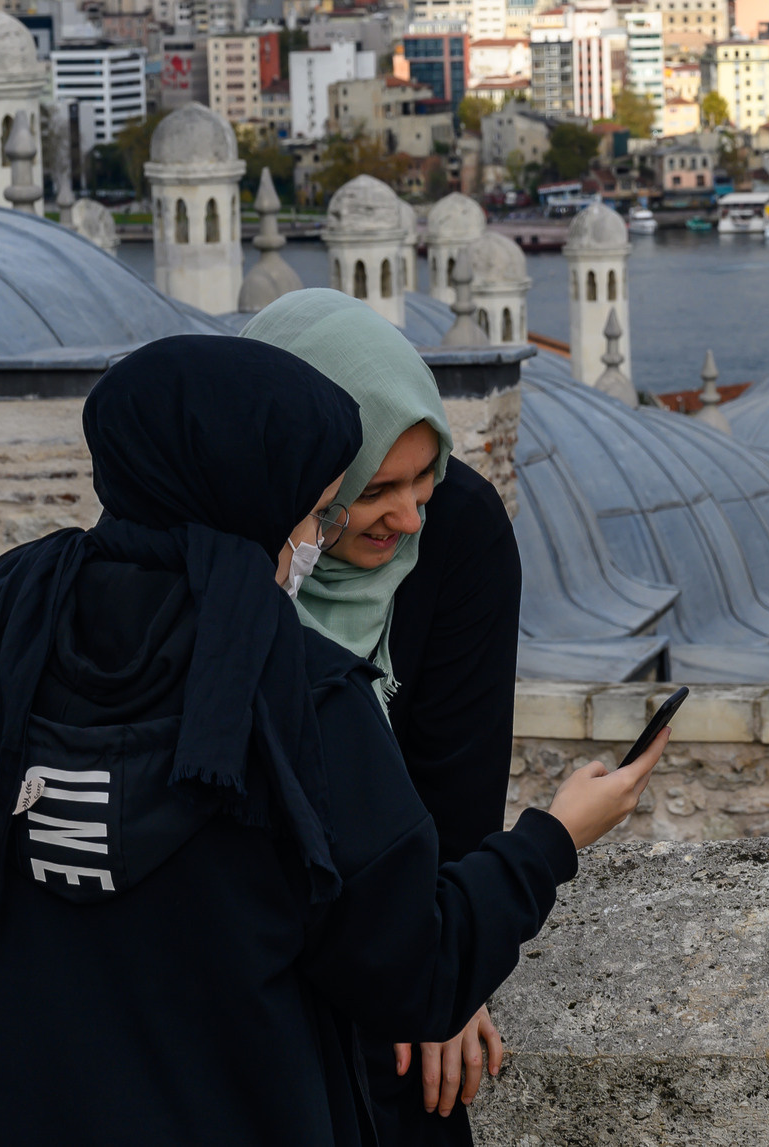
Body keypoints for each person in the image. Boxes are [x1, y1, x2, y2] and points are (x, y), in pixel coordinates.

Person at [0, 335, 666, 1147]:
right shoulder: (300, 697)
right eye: (309, 512)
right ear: (249, 503)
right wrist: (553, 839)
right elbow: (416, 968)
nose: (312, 540)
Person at [243, 288, 526, 1141]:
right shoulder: (231, 539)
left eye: (424, 477)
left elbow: (457, 783)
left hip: (388, 925)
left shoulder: (458, 530)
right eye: (375, 489)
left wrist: (443, 975)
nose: (409, 518)